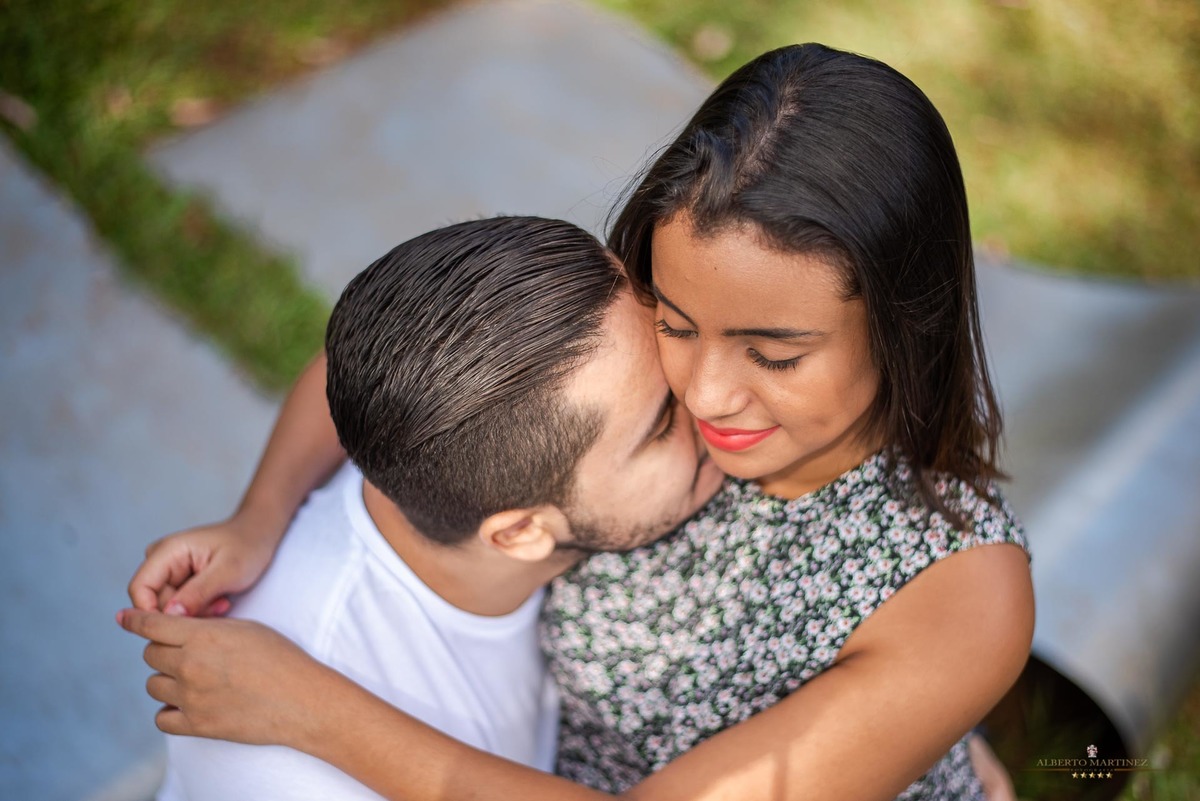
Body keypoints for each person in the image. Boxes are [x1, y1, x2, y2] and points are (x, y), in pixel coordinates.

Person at [119, 44, 1033, 801]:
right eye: (674, 319)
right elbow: (409, 364)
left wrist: (314, 709)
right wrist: (259, 516)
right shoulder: (645, 382)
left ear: (903, 324)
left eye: (776, 354)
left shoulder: (964, 586)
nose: (704, 393)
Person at [143, 215, 724, 800]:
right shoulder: (290, 773)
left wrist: (258, 515)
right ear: (521, 532)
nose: (708, 393)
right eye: (660, 426)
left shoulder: (431, 424)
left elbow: (348, 365)